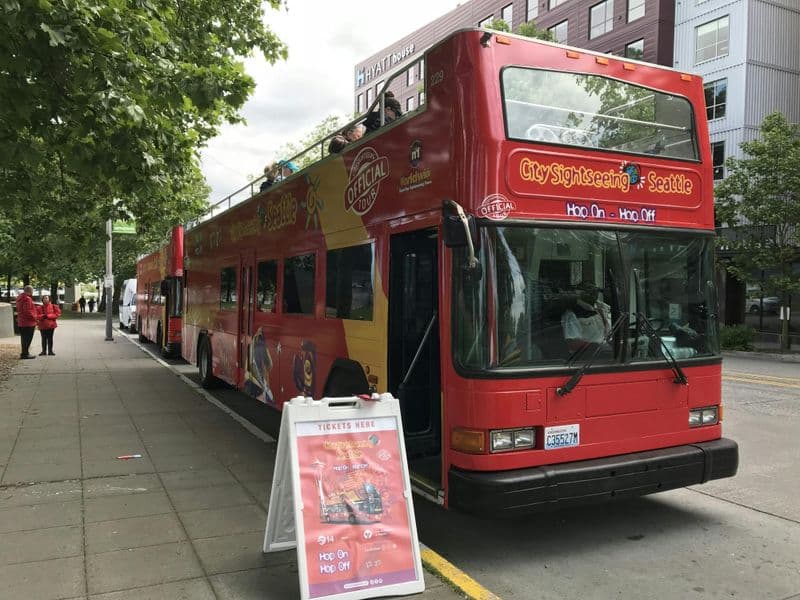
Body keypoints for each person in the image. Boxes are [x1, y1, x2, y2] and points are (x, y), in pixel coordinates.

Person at [561, 281, 611, 353]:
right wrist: (598, 347)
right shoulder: (572, 314)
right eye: (588, 291)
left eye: (594, 291)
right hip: (585, 358)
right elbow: (573, 343)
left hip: (605, 354)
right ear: (579, 294)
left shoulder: (602, 309)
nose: (592, 294)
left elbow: (610, 333)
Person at [16, 285, 38, 359]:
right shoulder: (27, 299)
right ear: (30, 291)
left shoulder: (19, 298)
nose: (33, 292)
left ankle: (24, 353)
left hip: (21, 322)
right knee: (28, 339)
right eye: (32, 290)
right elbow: (27, 311)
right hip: (28, 322)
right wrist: (35, 318)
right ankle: (25, 354)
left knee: (24, 338)